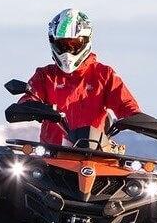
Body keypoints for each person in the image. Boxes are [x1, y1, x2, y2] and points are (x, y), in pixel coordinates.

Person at [20, 8, 140, 146]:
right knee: (9, 162)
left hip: (94, 152)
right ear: (53, 43)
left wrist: (135, 118)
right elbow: (29, 97)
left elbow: (126, 104)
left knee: (133, 167)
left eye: (74, 44)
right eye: (62, 45)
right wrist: (30, 107)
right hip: (52, 154)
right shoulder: (45, 75)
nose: (68, 51)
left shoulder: (104, 74)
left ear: (86, 41)